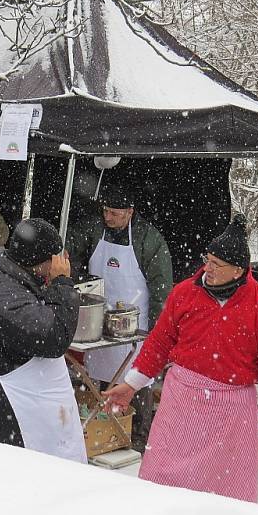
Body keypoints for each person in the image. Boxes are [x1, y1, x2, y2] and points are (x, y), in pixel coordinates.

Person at [103, 213, 258, 502]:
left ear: (239, 271)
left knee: (224, 495)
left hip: (232, 409)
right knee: (161, 484)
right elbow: (159, 343)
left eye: (217, 264)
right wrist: (131, 384)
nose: (208, 268)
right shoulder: (184, 294)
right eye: (208, 260)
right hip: (181, 401)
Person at [66, 184, 172, 450]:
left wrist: (159, 332)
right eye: (105, 211)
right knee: (97, 377)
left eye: (114, 213)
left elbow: (162, 289)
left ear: (130, 212)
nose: (108, 217)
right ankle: (102, 428)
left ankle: (137, 435)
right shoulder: (93, 229)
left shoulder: (149, 239)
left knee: (136, 378)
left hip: (136, 324)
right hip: (99, 317)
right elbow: (69, 253)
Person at [0, 218, 86, 463]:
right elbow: (55, 339)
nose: (57, 264)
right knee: (24, 477)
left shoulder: (20, 278)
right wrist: (62, 284)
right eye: (53, 259)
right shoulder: (7, 295)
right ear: (37, 260)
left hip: (34, 401)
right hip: (16, 407)